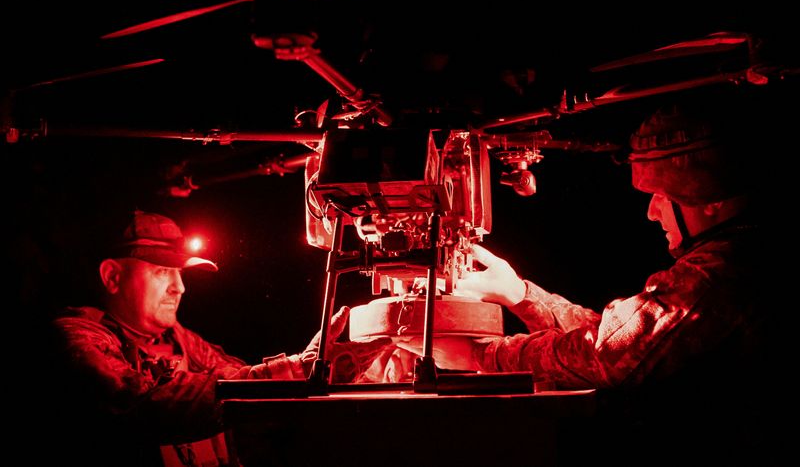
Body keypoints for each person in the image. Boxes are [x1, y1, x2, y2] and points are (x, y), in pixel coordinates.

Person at [400, 91, 781, 464]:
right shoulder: (737, 255)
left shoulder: (722, 275)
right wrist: (519, 294)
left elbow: (605, 355)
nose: (652, 212)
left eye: (663, 196)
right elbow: (622, 337)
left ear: (711, 199)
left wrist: (477, 355)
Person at [47, 210, 390, 467]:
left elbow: (242, 383)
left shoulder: (180, 339)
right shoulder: (77, 336)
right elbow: (141, 402)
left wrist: (317, 371)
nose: (179, 288)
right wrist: (297, 371)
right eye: (161, 271)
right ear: (112, 276)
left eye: (180, 273)